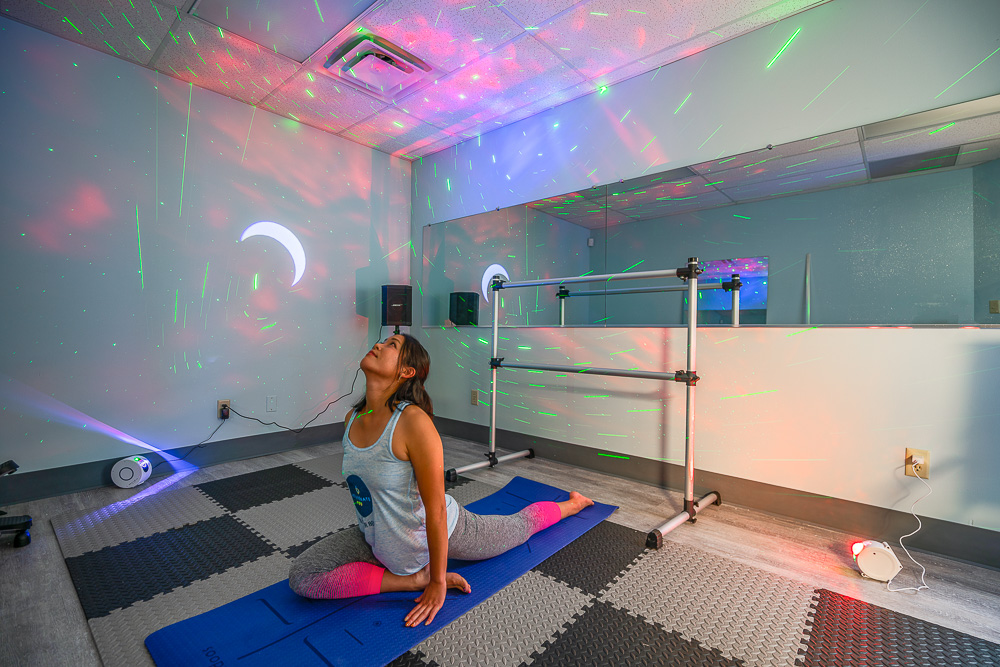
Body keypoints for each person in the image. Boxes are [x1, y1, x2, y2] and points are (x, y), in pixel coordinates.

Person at [289, 333, 593, 627]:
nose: (378, 345)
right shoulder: (352, 419)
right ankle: (410, 580)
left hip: (441, 533)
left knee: (519, 527)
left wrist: (437, 581)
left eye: (390, 344)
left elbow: (435, 511)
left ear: (406, 371)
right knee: (303, 577)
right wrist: (420, 582)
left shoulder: (413, 422)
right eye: (382, 341)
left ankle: (573, 504)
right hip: (377, 539)